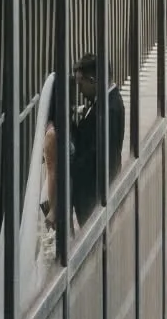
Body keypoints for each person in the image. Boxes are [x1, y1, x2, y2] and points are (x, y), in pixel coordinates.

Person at [44, 53, 126, 230]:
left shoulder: (109, 110)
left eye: (81, 84)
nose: (79, 90)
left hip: (95, 196)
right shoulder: (104, 103)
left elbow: (97, 154)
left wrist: (69, 168)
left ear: (93, 80)